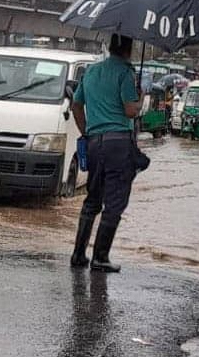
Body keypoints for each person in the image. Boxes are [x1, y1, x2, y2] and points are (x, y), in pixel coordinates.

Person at [69, 34, 147, 273]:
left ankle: (78, 254)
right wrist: (140, 96)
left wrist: (87, 131)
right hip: (118, 144)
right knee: (114, 203)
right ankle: (101, 257)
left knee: (92, 199)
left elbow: (76, 105)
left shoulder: (91, 71)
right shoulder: (126, 73)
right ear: (128, 49)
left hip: (94, 143)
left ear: (111, 46)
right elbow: (130, 111)